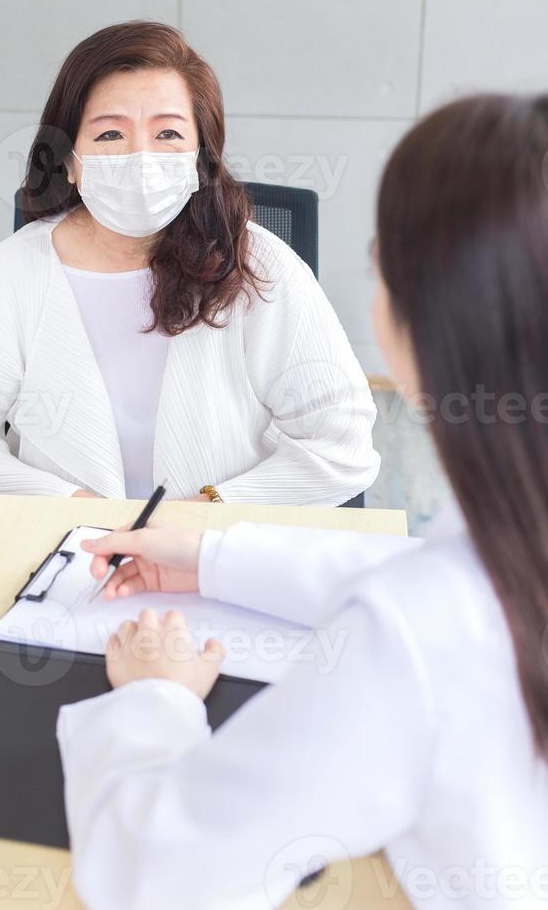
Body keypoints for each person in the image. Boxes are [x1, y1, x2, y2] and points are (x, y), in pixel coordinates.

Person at [57, 94, 548, 909]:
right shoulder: (485, 567)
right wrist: (216, 558)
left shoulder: (417, 643)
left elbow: (155, 876)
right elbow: (458, 581)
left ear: (418, 320)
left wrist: (155, 696)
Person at [0, 20, 378, 505]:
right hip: (64, 544)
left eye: (168, 133)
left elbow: (341, 444)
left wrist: (208, 511)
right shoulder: (8, 274)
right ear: (67, 158)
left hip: (219, 545)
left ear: (200, 156)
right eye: (110, 134)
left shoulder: (259, 265)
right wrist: (63, 502)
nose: (140, 159)